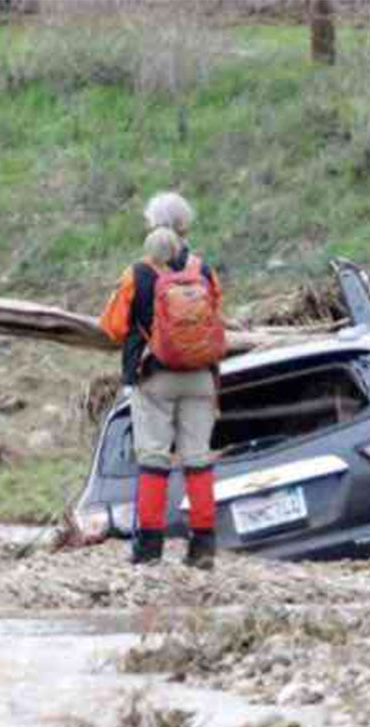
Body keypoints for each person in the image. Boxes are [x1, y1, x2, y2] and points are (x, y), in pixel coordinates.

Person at [98, 209, 224, 569]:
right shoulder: (203, 270)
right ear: (186, 225)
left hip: (155, 377)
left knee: (153, 458)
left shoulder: (137, 273)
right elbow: (216, 313)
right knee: (198, 458)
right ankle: (202, 547)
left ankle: (149, 548)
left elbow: (113, 327)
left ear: (153, 225)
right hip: (201, 376)